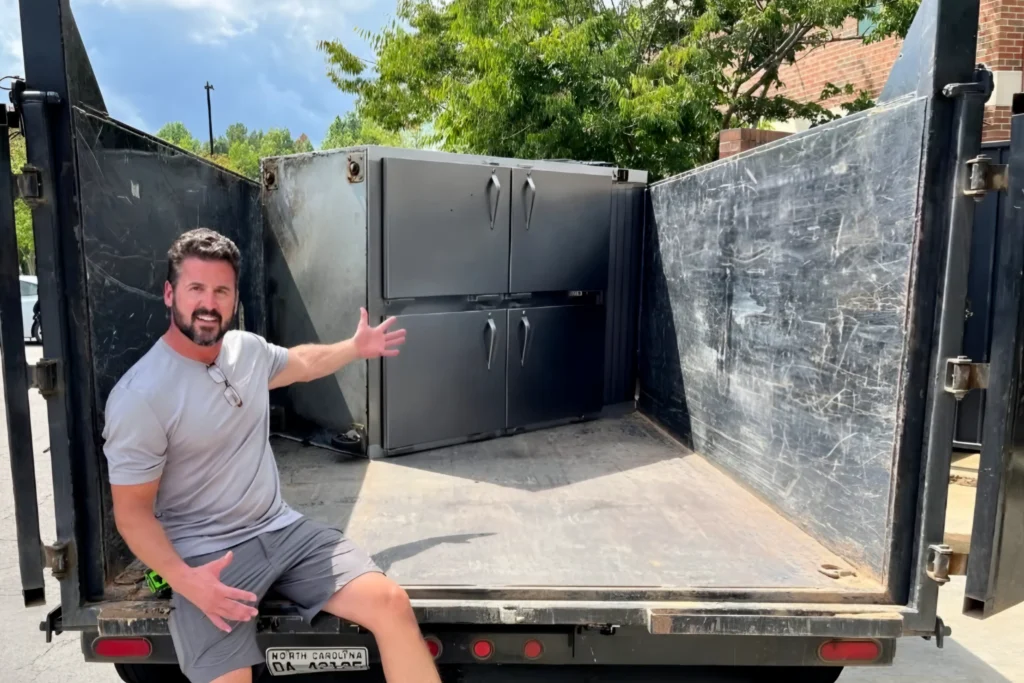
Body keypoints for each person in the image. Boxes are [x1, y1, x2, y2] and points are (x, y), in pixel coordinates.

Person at [101, 228, 439, 683]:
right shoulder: (141, 396)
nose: (208, 304)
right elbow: (132, 514)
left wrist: (355, 348)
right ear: (169, 293)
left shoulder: (246, 350)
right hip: (208, 557)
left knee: (390, 604)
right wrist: (187, 580)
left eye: (221, 291)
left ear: (235, 298)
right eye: (196, 288)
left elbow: (304, 363)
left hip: (281, 530)